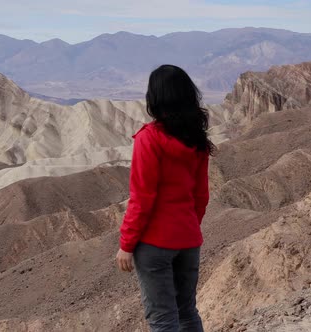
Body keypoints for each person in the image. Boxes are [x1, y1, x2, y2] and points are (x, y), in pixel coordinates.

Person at [116, 64, 214, 332]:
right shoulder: (197, 140)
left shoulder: (149, 139)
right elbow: (201, 196)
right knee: (187, 312)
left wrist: (126, 244)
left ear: (155, 98)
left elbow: (142, 198)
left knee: (162, 319)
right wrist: (188, 227)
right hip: (188, 239)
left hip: (155, 243)